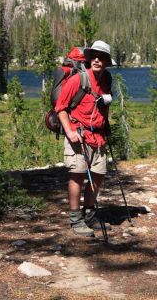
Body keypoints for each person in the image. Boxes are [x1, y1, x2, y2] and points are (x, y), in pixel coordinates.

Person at [55, 40, 115, 237]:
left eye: (102, 57)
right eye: (94, 56)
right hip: (78, 135)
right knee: (78, 175)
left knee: (98, 174)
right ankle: (75, 219)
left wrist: (105, 126)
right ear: (90, 59)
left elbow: (103, 106)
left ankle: (89, 214)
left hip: (98, 136)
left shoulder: (107, 79)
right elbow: (61, 108)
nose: (97, 59)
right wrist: (70, 132)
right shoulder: (77, 80)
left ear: (107, 61)